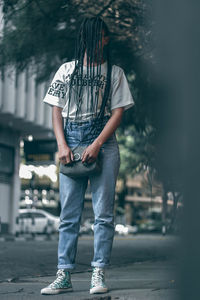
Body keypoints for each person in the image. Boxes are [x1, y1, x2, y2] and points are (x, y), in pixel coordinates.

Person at [41, 16, 135, 295]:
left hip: (104, 144)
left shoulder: (114, 73)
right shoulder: (66, 70)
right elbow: (56, 110)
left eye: (106, 37)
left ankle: (98, 273)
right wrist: (62, 145)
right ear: (88, 38)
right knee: (68, 215)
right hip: (70, 140)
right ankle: (64, 275)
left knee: (103, 215)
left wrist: (96, 144)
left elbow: (118, 113)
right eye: (100, 36)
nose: (104, 41)